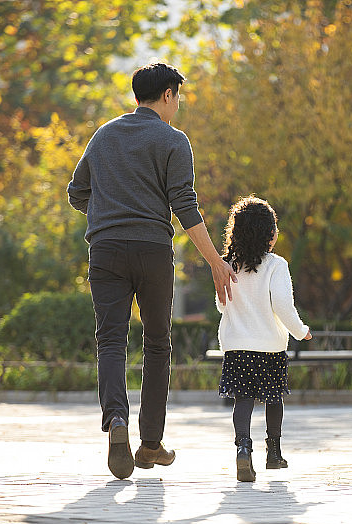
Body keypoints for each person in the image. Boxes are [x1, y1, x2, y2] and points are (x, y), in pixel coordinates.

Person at [67, 62, 237, 479]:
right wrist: (216, 261)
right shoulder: (173, 140)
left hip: (105, 250)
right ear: (167, 95)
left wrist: (108, 212)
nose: (178, 104)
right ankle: (149, 444)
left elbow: (76, 192)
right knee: (157, 343)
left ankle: (116, 419)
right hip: (152, 251)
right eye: (178, 96)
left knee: (111, 339)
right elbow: (185, 207)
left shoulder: (104, 135)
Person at [215, 196, 312, 482]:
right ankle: (274, 453)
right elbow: (282, 305)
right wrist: (300, 330)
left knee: (243, 399)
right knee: (273, 397)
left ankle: (243, 449)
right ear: (270, 234)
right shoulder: (276, 265)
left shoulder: (227, 265)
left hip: (237, 346)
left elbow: (221, 305)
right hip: (269, 346)